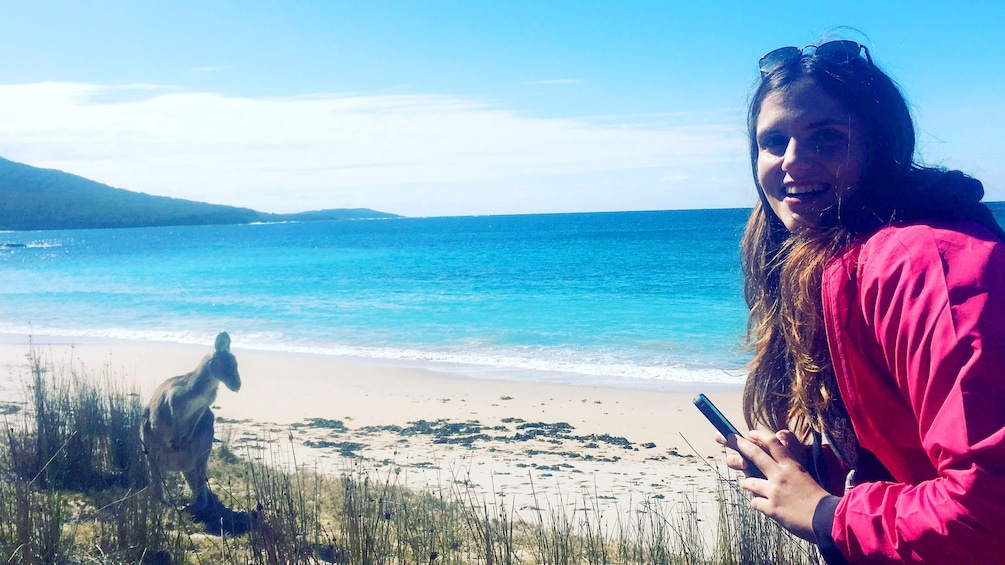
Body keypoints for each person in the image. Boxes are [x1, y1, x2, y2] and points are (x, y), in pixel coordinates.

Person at [721, 39, 1005, 564]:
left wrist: (827, 514)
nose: (793, 162)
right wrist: (821, 471)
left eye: (827, 138)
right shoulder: (839, 260)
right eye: (774, 140)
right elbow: (916, 455)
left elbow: (990, 509)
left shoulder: (922, 264)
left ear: (881, 145)